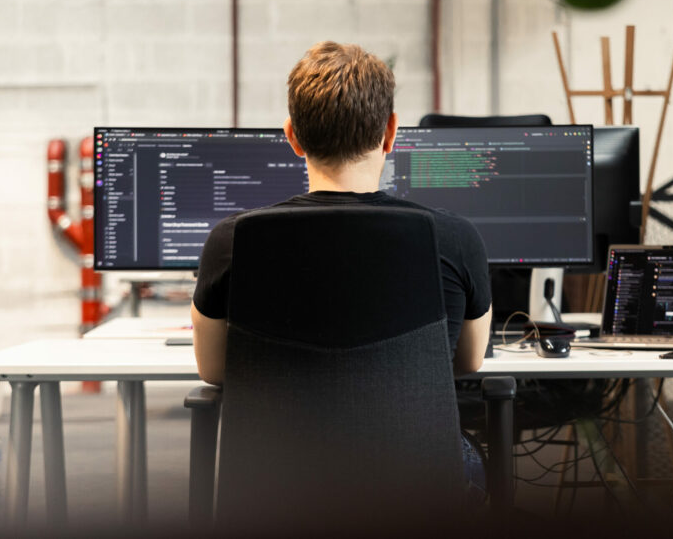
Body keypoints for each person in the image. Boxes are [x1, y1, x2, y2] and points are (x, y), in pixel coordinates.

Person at [189, 41, 493, 497]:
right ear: (390, 133)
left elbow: (214, 370)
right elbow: (467, 362)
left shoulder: (232, 240)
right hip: (414, 498)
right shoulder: (453, 238)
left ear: (292, 137)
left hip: (275, 495)